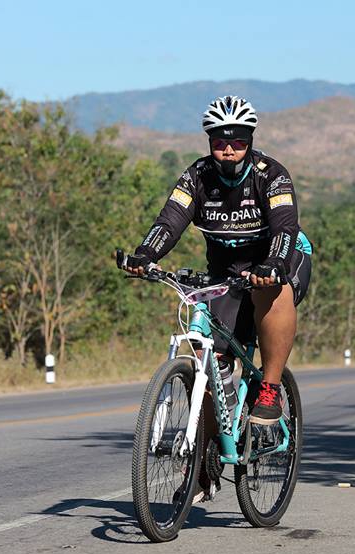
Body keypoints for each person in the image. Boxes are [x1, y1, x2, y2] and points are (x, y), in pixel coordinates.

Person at [122, 95, 312, 500]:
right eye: (220, 141)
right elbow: (169, 220)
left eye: (238, 141)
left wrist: (273, 264)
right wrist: (145, 255)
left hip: (281, 259)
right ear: (209, 142)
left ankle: (270, 388)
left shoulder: (271, 176)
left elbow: (285, 228)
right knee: (206, 359)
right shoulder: (197, 177)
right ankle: (203, 468)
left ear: (250, 140)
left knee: (272, 291)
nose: (228, 149)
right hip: (227, 274)